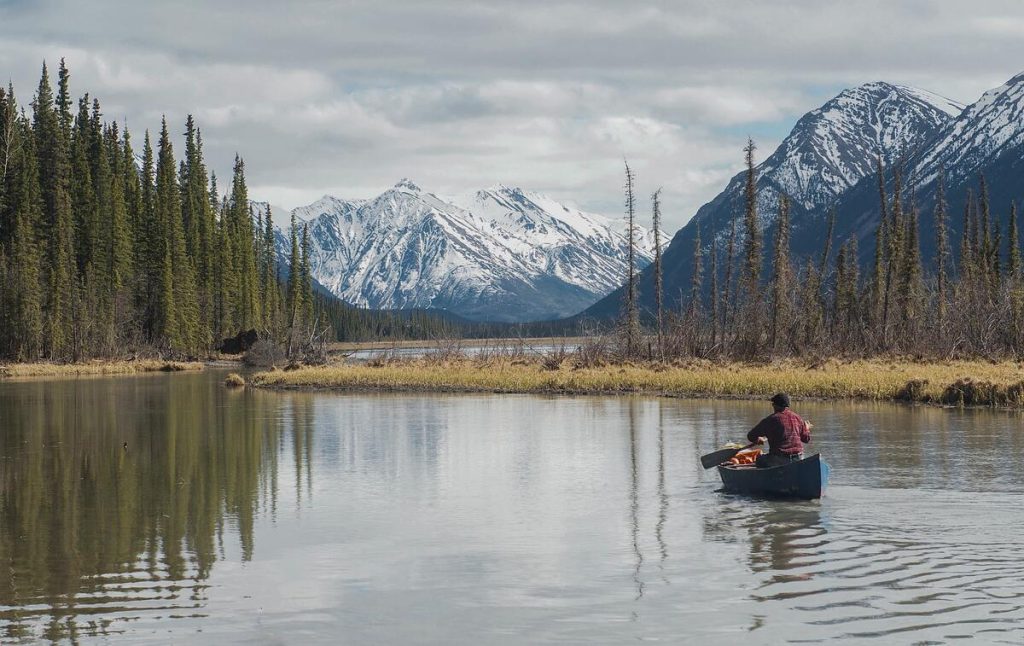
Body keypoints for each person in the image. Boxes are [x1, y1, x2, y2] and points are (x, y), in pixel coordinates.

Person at [746, 393, 811, 468]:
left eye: (773, 404)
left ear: (775, 405)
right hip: (799, 458)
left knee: (759, 459)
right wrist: (806, 429)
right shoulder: (798, 418)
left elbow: (750, 436)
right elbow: (806, 439)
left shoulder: (770, 420)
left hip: (779, 459)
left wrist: (758, 439)